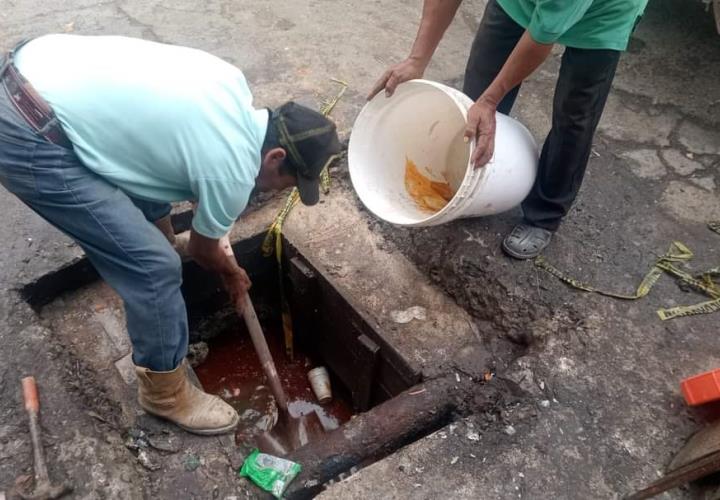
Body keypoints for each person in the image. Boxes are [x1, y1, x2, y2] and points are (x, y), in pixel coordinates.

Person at [0, 34, 340, 435]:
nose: (277, 191)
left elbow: (153, 164)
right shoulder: (231, 170)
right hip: (29, 133)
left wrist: (177, 228)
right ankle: (165, 393)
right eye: (287, 183)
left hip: (33, 68)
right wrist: (231, 273)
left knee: (153, 216)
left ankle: (156, 259)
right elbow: (201, 249)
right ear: (275, 156)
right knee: (154, 268)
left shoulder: (230, 86)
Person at [371, 0, 647, 258]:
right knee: (478, 93)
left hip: (603, 15)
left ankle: (544, 215)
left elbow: (543, 33)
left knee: (574, 116)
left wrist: (491, 101)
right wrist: (417, 59)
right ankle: (474, 182)